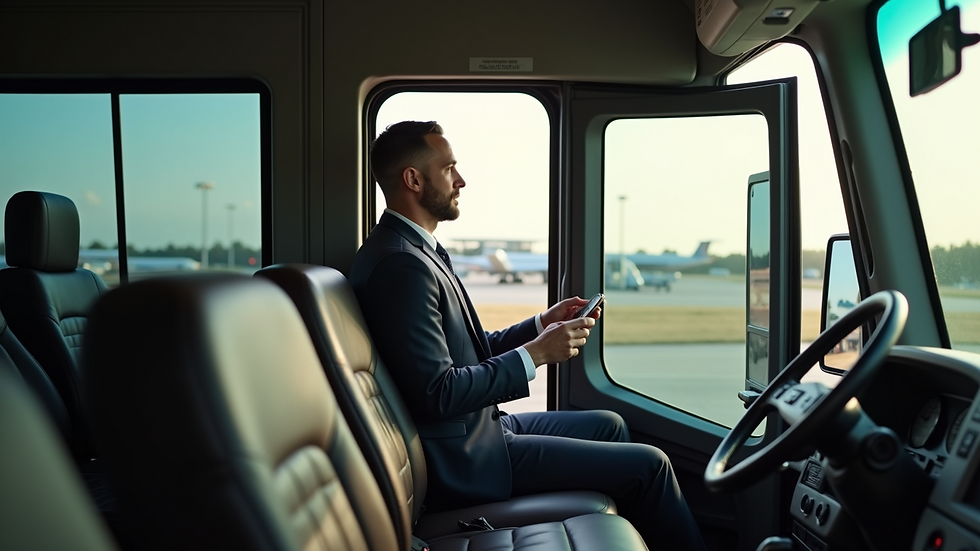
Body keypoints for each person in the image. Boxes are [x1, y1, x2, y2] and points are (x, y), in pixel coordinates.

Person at [349, 120, 707, 550]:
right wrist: (536, 355)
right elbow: (438, 392)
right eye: (449, 169)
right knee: (652, 466)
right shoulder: (401, 265)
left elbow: (467, 349)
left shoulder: (412, 251)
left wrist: (541, 325)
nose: (461, 180)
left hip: (479, 430)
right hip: (464, 459)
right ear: (413, 179)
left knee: (610, 424)